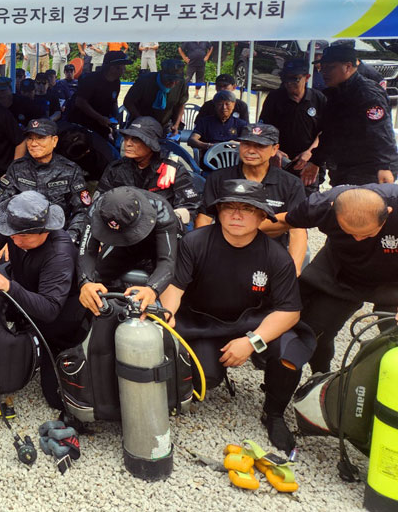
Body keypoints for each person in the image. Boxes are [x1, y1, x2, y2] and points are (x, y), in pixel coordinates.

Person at [161, 179, 313, 452]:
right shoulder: (194, 242)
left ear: (261, 215)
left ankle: (274, 413)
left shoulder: (277, 257)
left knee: (289, 353)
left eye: (246, 208)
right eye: (228, 207)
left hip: (254, 323)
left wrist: (252, 341)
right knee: (205, 379)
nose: (236, 214)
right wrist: (167, 313)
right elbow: (175, 287)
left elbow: (289, 311)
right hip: (204, 322)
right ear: (218, 212)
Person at [0, 191, 86, 408]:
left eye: (22, 237)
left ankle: (36, 351)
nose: (13, 240)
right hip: (22, 292)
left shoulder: (60, 253)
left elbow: (50, 309)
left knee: (56, 400)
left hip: (58, 321)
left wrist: (10, 287)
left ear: (44, 230)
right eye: (11, 235)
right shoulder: (15, 226)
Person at [278, 185, 398, 372]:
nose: (358, 238)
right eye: (350, 233)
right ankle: (322, 378)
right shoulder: (322, 205)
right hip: (344, 274)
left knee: (393, 339)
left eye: (366, 234)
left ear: (388, 213)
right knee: (314, 332)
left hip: (393, 280)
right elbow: (283, 221)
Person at [195, 124, 307, 270]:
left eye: (260, 146)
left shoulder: (291, 184)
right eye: (246, 144)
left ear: (274, 149)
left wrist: (293, 273)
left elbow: (298, 230)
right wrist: (203, 259)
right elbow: (204, 219)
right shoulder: (218, 178)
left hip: (270, 256)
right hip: (223, 253)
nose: (251, 151)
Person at [77, 186, 180, 317]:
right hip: (124, 240)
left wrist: (153, 289)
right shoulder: (97, 208)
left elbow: (167, 260)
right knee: (95, 275)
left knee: (167, 297)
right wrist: (85, 283)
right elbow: (86, 250)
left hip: (160, 241)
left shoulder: (162, 210)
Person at [302, 45, 397, 187]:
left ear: (348, 67)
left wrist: (384, 166)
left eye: (330, 67)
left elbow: (381, 132)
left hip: (371, 168)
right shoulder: (334, 93)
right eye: (323, 67)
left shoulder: (366, 94)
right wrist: (316, 160)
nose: (324, 72)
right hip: (345, 165)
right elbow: (330, 133)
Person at [0, 118, 92, 244]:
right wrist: (8, 239)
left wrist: (70, 238)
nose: (33, 143)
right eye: (30, 138)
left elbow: (81, 211)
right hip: (21, 238)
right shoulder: (17, 169)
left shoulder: (70, 171)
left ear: (54, 141)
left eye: (40, 138)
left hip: (58, 238)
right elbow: (3, 207)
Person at [97, 116, 201, 225]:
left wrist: (169, 219)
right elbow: (99, 203)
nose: (127, 144)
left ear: (151, 144)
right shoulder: (116, 169)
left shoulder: (171, 169)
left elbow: (190, 206)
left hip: (161, 230)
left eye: (135, 139)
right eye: (126, 138)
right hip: (123, 230)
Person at [258, 58, 326, 193]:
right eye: (285, 79)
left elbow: (325, 132)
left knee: (306, 206)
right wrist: (273, 150)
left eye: (295, 79)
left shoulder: (318, 99)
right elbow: (263, 129)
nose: (289, 84)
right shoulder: (275, 98)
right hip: (279, 161)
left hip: (307, 162)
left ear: (307, 78)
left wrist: (310, 153)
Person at [67, 50, 129, 140]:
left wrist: (116, 117)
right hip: (81, 124)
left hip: (101, 124)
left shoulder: (116, 82)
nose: (125, 69)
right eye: (123, 66)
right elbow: (80, 102)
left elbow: (113, 101)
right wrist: (100, 118)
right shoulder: (91, 80)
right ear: (113, 68)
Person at [123, 58, 188, 134]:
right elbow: (128, 102)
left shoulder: (181, 84)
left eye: (176, 81)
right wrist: (140, 119)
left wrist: (176, 125)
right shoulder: (145, 81)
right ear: (161, 74)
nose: (173, 84)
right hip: (140, 124)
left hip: (165, 125)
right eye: (169, 80)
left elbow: (181, 104)